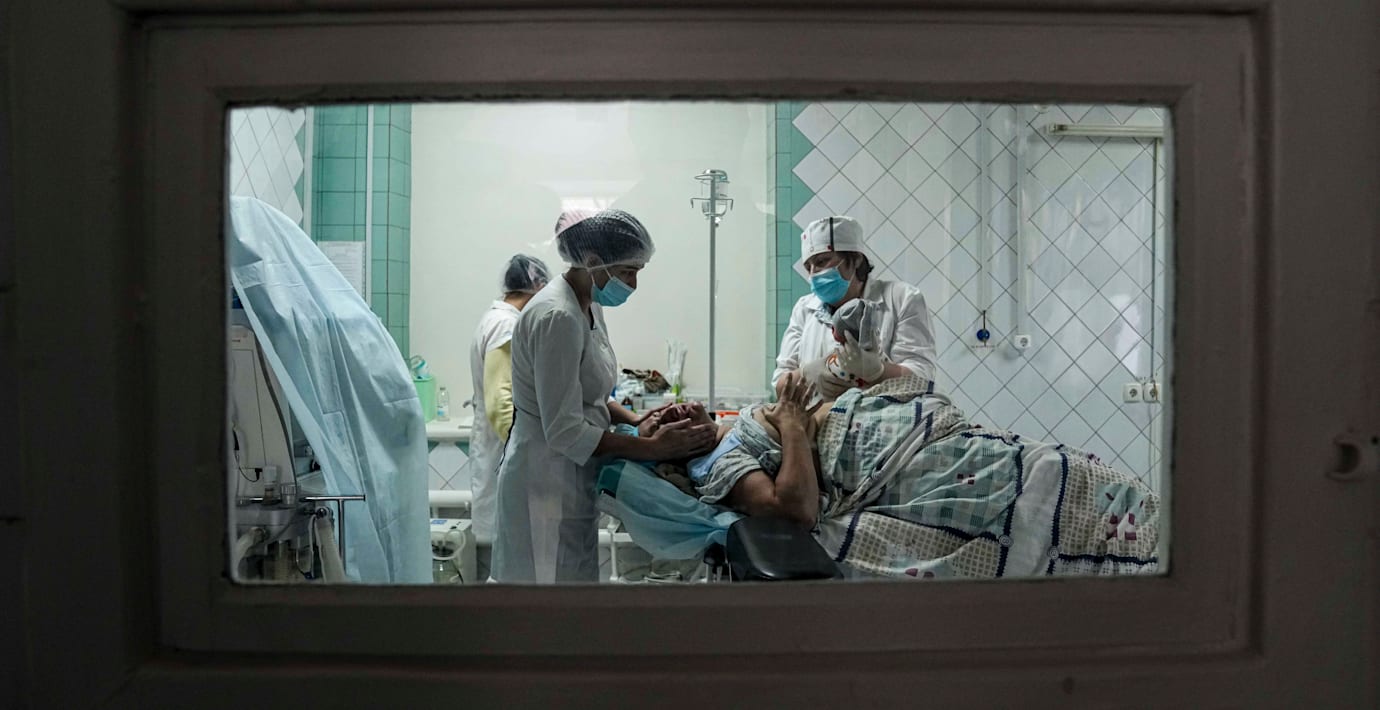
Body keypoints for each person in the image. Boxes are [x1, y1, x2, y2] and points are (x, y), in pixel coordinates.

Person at [635, 372, 1161, 580]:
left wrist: (857, 377)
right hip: (917, 469)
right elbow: (796, 510)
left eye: (664, 408)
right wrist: (793, 425)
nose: (669, 412)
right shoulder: (718, 462)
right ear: (671, 457)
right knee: (1057, 494)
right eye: (656, 425)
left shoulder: (738, 422)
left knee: (1067, 471)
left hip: (940, 435)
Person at [491, 208, 718, 583]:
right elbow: (564, 430)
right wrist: (653, 448)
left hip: (572, 477)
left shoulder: (588, 305)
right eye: (628, 271)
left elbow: (588, 393)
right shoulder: (557, 316)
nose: (633, 284)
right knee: (546, 597)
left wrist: (637, 421)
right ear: (594, 262)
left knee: (574, 588)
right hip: (544, 481)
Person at [773, 215, 939, 398]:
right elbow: (780, 385)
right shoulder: (804, 309)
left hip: (882, 415)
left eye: (822, 261)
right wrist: (809, 373)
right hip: (818, 416)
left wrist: (878, 372)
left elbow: (923, 378)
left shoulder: (902, 299)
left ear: (856, 259)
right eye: (808, 267)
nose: (813, 274)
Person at [467, 253, 551, 551]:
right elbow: (500, 404)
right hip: (505, 455)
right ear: (539, 287)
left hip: (500, 452)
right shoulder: (506, 326)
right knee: (511, 549)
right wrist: (528, 456)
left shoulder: (497, 320)